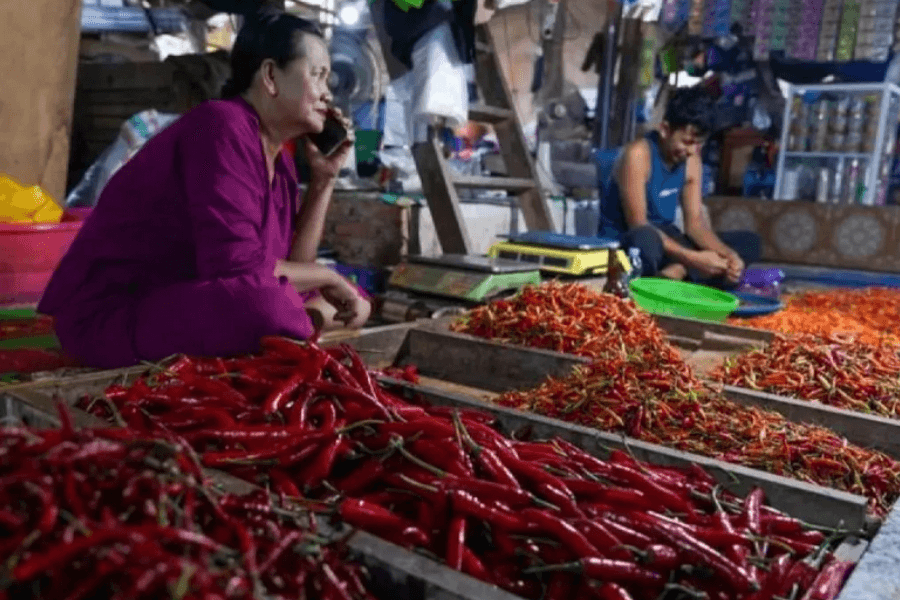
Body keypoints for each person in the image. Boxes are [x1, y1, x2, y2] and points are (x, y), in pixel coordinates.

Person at [38, 10, 371, 369]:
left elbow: (294, 271)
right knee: (268, 305)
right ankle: (293, 325)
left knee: (352, 299)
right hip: (114, 316)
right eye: (318, 75)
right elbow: (238, 270)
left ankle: (294, 325)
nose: (327, 93)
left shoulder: (281, 158)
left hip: (189, 301)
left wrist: (324, 181)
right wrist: (327, 277)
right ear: (271, 77)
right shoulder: (222, 126)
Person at [597, 86, 761, 287]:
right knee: (645, 241)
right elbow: (637, 224)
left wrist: (729, 256)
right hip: (631, 242)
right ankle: (681, 274)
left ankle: (673, 274)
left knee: (750, 243)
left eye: (698, 144)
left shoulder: (692, 161)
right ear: (665, 129)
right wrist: (692, 259)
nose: (691, 151)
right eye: (687, 142)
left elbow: (695, 226)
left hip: (668, 241)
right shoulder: (638, 154)